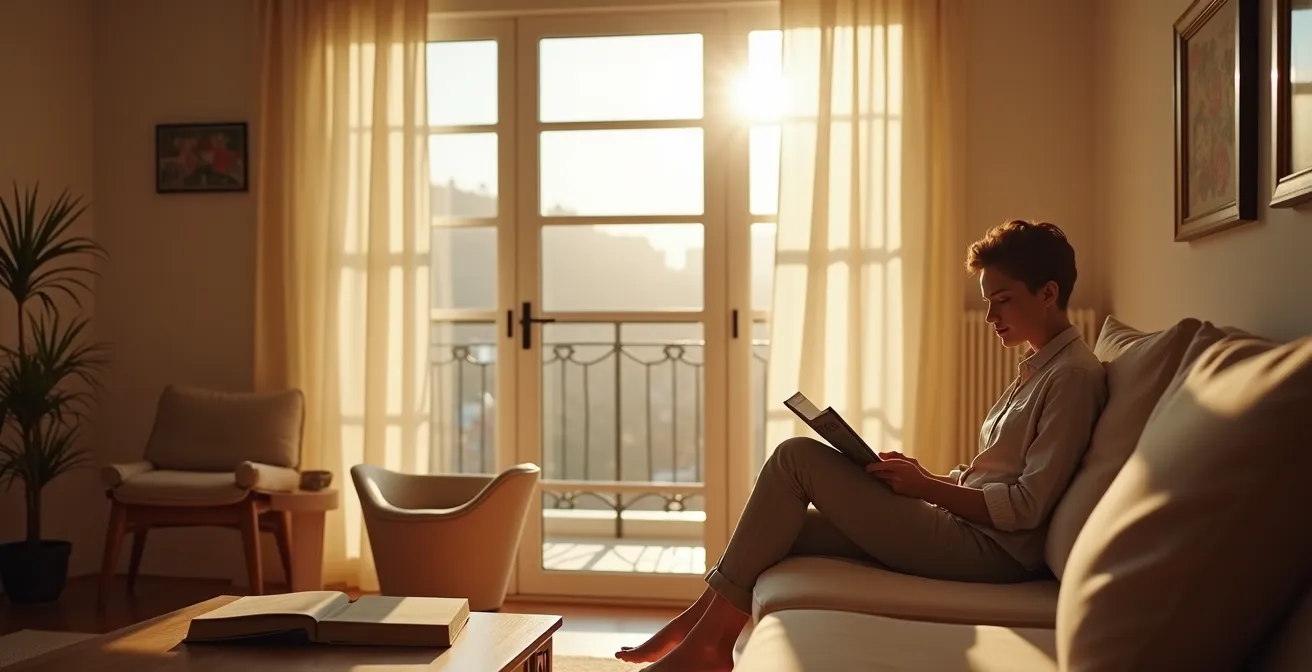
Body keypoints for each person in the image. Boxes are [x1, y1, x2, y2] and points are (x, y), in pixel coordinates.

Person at [615, 219, 1108, 671]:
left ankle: (706, 644)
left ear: (1048, 293)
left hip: (992, 552)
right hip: (968, 528)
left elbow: (1025, 506)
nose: (989, 315)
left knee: (795, 458)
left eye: (1002, 299)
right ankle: (701, 628)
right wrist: (926, 478)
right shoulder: (1040, 368)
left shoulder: (1072, 377)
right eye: (987, 301)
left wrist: (926, 490)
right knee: (786, 526)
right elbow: (996, 477)